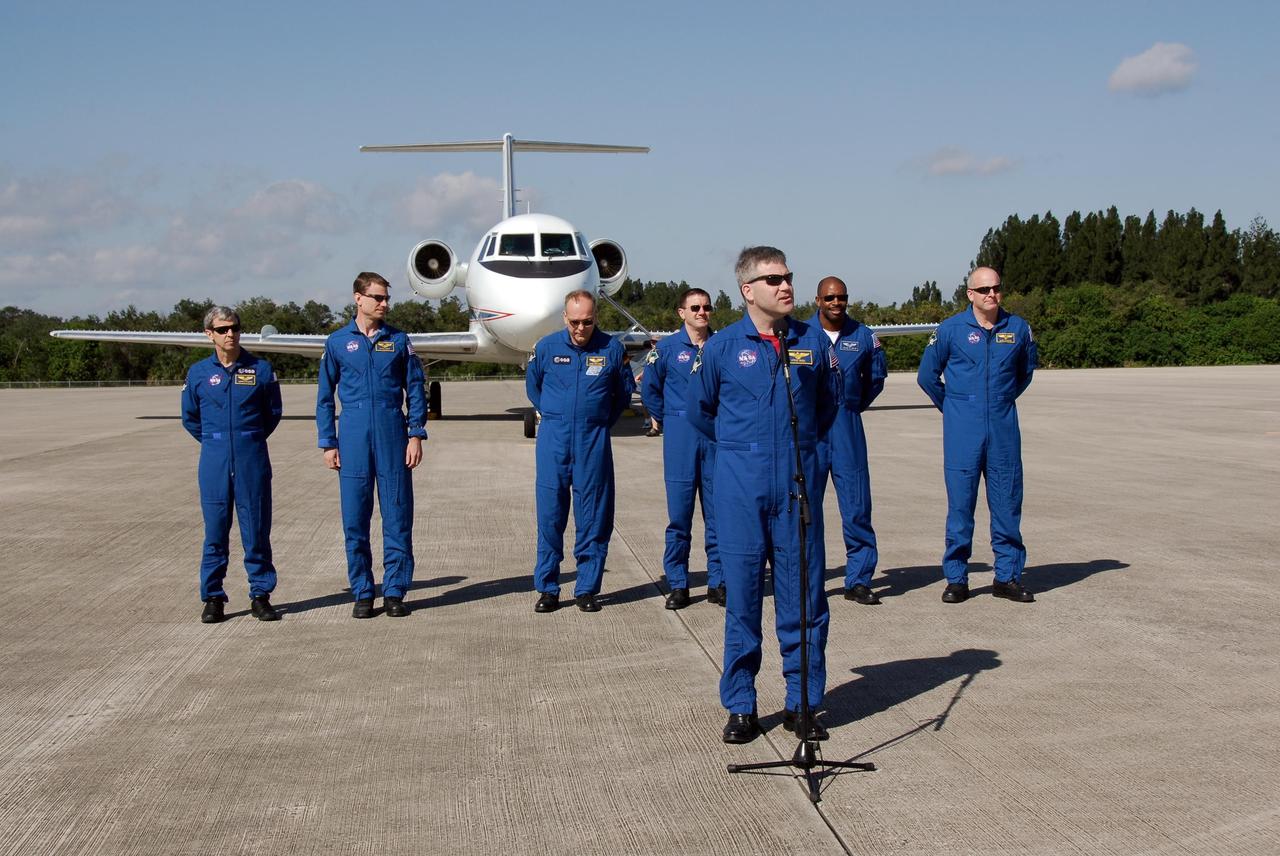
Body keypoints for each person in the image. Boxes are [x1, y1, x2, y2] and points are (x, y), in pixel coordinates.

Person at [687, 247, 840, 744]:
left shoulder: (812, 343)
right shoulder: (723, 348)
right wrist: (744, 451)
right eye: (773, 279)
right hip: (741, 487)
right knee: (744, 598)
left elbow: (828, 406)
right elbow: (700, 412)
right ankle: (742, 705)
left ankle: (803, 702)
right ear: (747, 290)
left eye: (789, 276)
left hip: (796, 485)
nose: (786, 286)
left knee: (804, 597)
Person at [917, 266, 1038, 604]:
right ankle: (957, 578)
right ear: (970, 294)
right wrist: (954, 408)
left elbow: (1025, 372)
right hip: (962, 430)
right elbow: (927, 376)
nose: (991, 295)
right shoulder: (950, 330)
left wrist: (999, 400)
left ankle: (1008, 576)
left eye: (996, 288)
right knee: (960, 507)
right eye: (983, 289)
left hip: (1002, 427)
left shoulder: (1017, 329)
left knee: (1007, 503)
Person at [316, 272, 427, 619]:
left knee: (397, 515)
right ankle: (363, 591)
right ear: (358, 299)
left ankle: (395, 590)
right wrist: (327, 442)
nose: (384, 304)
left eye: (386, 298)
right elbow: (324, 398)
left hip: (392, 431)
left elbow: (416, 388)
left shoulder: (398, 340)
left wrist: (415, 434)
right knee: (355, 519)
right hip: (352, 433)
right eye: (377, 298)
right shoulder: (336, 343)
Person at [526, 289, 636, 614]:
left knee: (594, 515)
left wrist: (598, 421)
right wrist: (554, 412)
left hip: (593, 439)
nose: (580, 329)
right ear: (564, 317)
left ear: (596, 317)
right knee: (550, 515)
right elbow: (533, 387)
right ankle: (548, 588)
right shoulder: (546, 348)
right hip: (553, 440)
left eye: (587, 322)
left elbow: (623, 394)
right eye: (574, 322)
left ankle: (587, 588)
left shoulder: (612, 350)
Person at [181, 306, 283, 623]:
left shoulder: (261, 370)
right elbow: (190, 418)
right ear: (209, 334)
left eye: (235, 328)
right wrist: (217, 441)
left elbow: (273, 413)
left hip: (251, 453)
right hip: (214, 457)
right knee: (215, 532)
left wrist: (246, 439)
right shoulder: (198, 374)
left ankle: (260, 595)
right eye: (223, 329)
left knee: (256, 530)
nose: (231, 334)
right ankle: (213, 597)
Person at [641, 288, 723, 610]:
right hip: (680, 439)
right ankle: (678, 583)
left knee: (718, 514)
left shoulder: (721, 346)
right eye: (695, 308)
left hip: (715, 438)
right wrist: (667, 419)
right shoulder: (667, 349)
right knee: (679, 517)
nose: (701, 312)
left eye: (706, 307)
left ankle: (719, 581)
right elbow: (650, 388)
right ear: (682, 313)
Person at [813, 276, 887, 605]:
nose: (836, 303)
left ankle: (858, 579)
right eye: (829, 298)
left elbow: (875, 380)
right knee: (804, 511)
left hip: (847, 426)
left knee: (856, 507)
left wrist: (852, 405)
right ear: (818, 300)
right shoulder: (798, 335)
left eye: (841, 297)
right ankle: (808, 579)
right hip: (810, 431)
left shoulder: (864, 337)